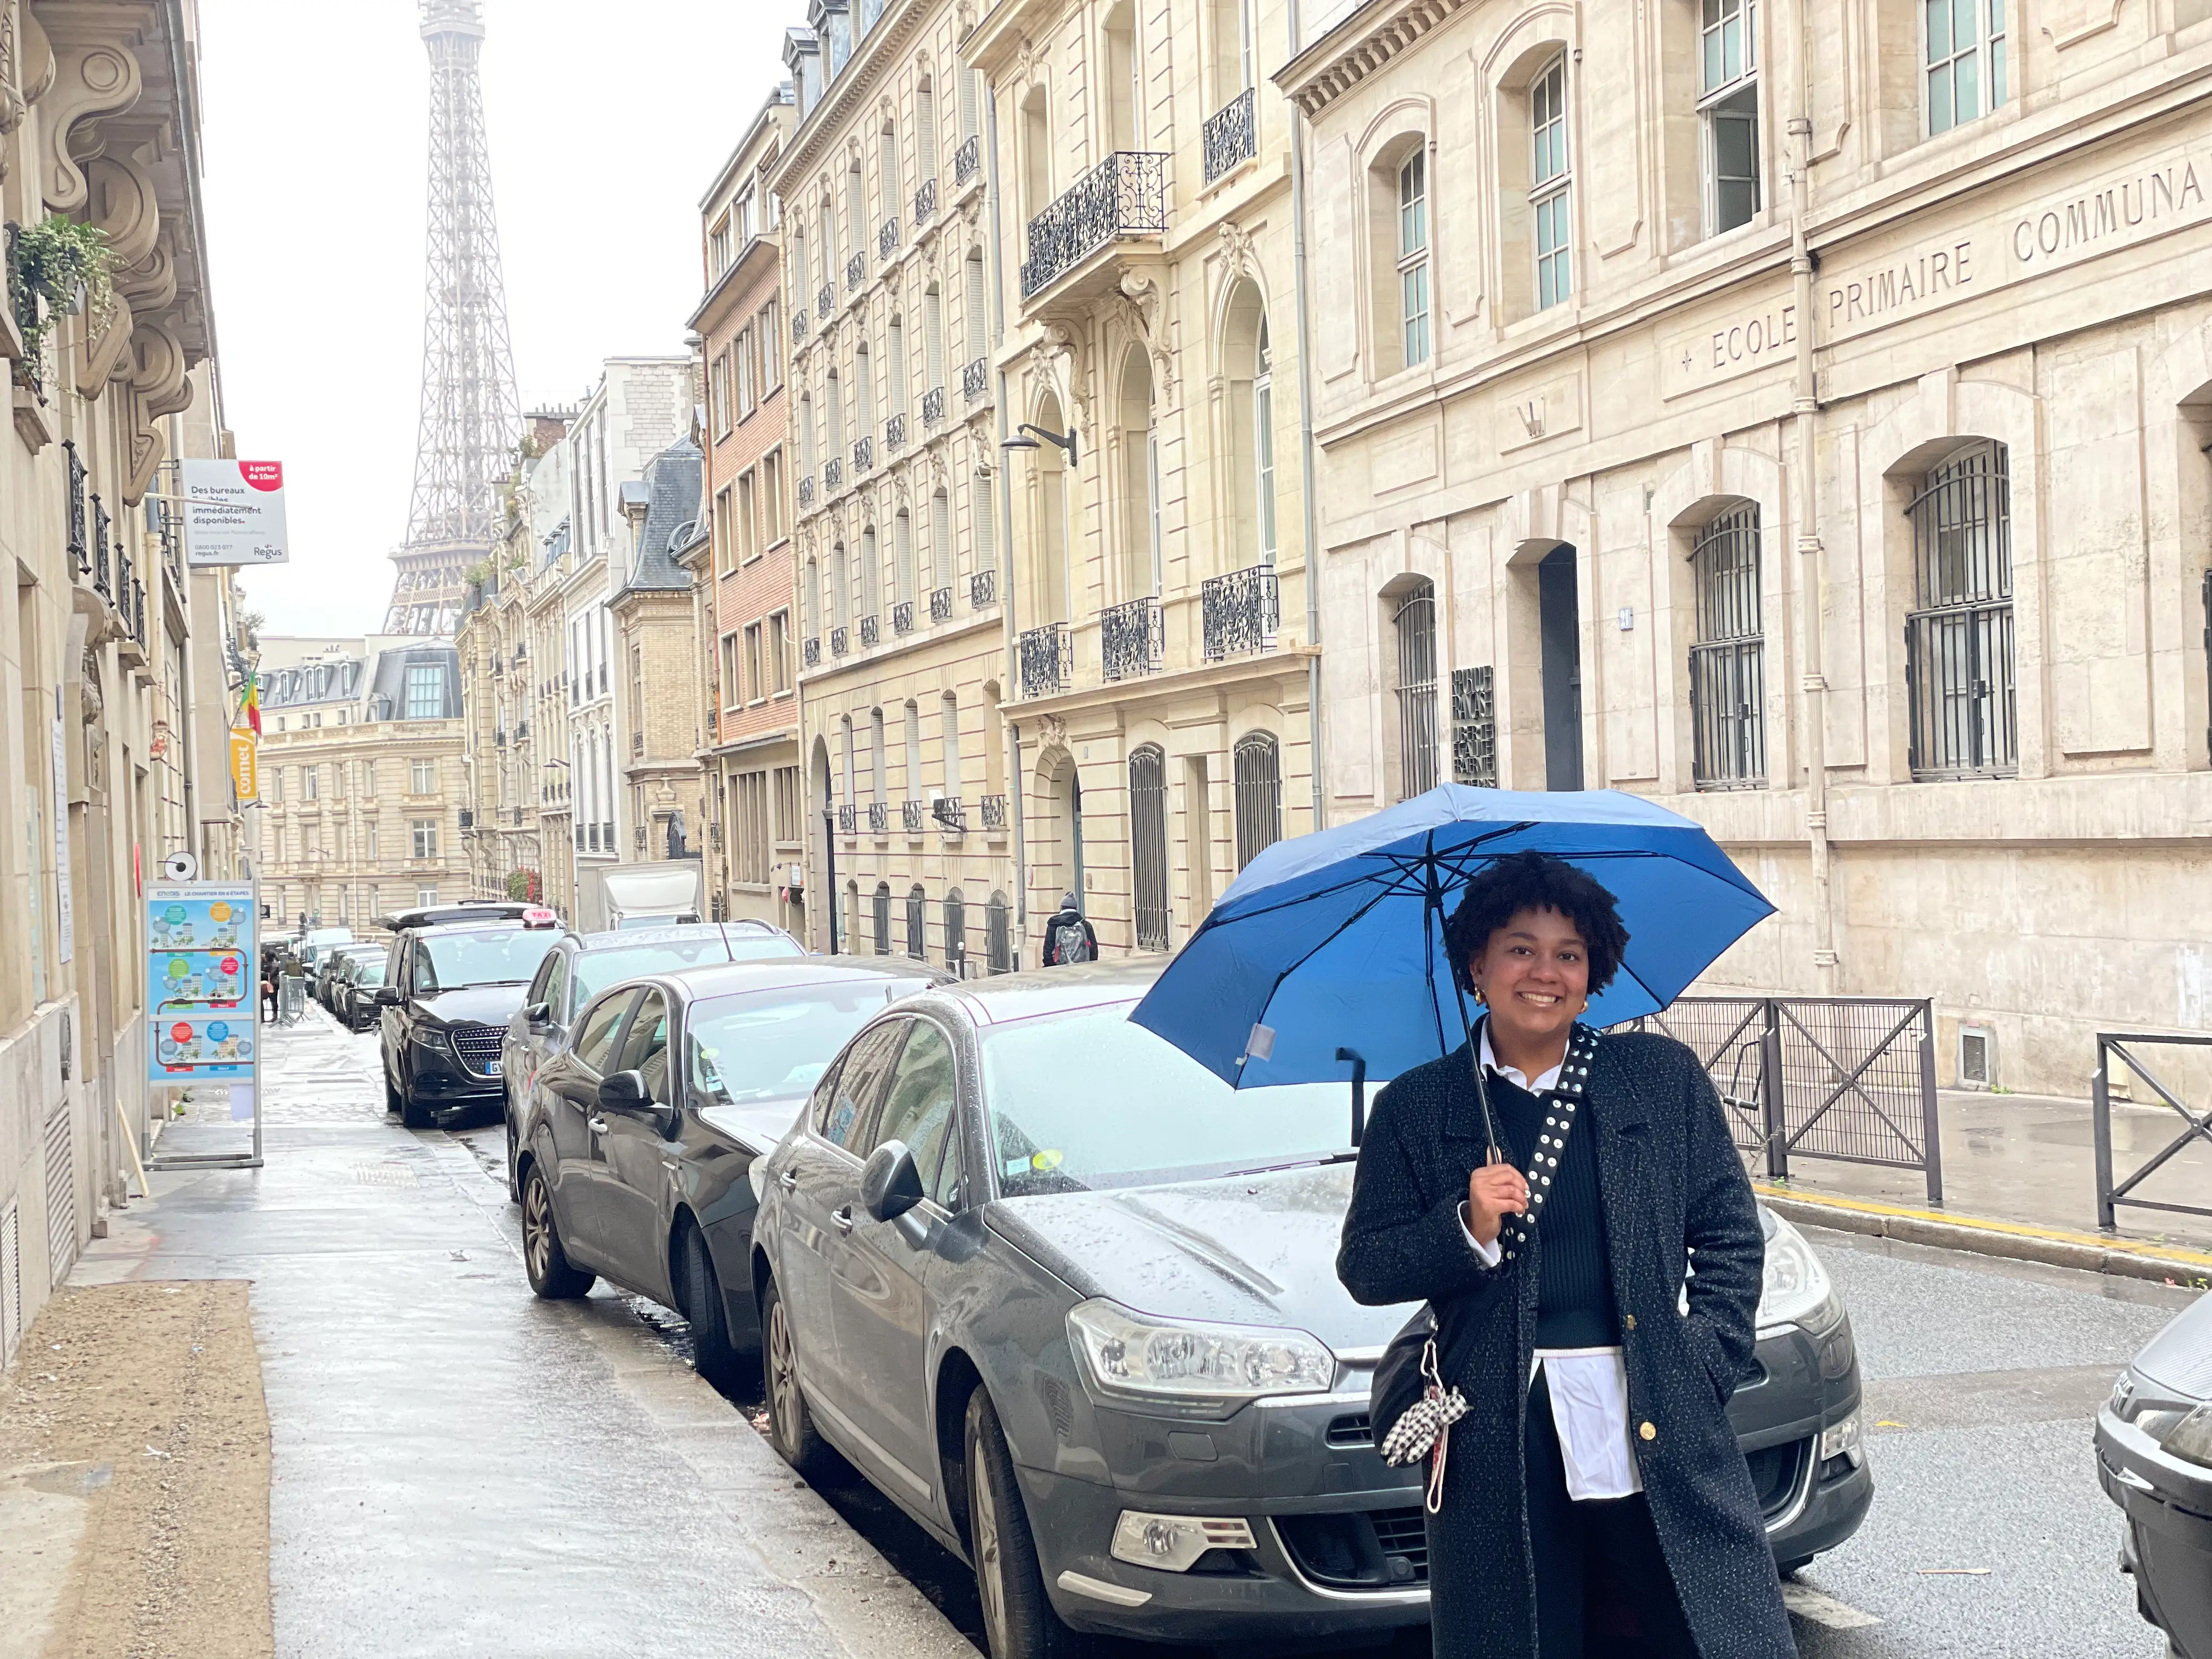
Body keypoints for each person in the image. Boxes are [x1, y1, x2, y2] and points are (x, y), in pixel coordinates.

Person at [1338, 850, 1793, 1659]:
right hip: (1497, 1431)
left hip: (1652, 1404)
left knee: (1688, 1627)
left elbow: (1729, 1232)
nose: (1545, 973)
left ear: (1593, 974)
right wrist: (1465, 1226)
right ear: (1476, 966)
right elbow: (1367, 1266)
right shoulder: (1419, 1106)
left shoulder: (1657, 1079)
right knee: (1529, 1632)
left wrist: (1703, 1359)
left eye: (1569, 955)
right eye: (1521, 949)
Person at [1039, 891, 1097, 966]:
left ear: (1062, 908)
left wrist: (1053, 968)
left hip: (1059, 969)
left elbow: (1047, 952)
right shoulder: (1085, 925)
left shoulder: (1054, 925)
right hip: (1082, 969)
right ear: (1076, 908)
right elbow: (1093, 951)